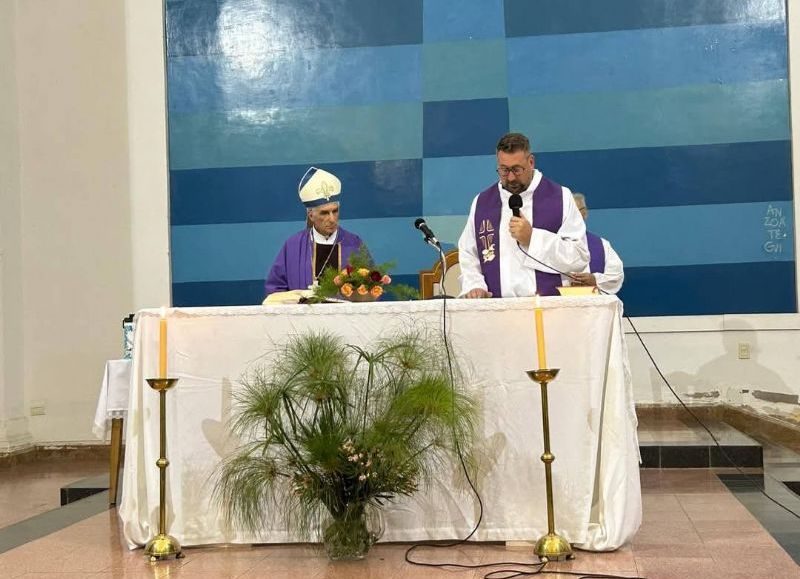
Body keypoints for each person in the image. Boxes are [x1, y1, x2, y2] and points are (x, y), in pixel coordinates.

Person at [457, 133, 589, 298]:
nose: (511, 177)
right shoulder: (482, 203)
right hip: (497, 310)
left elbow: (579, 257)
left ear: (531, 162)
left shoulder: (560, 197)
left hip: (549, 309)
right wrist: (475, 285)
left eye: (517, 169)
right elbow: (469, 253)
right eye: (504, 170)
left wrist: (532, 239)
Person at [264, 167, 367, 296]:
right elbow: (275, 290)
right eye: (324, 213)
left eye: (335, 211)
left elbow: (369, 286)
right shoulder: (293, 245)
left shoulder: (354, 243)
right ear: (311, 215)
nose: (332, 218)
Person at [569, 193, 624, 294]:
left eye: (577, 211)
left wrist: (595, 280)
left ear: (585, 213)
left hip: (593, 306)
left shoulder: (601, 245)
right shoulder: (550, 243)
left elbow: (616, 275)